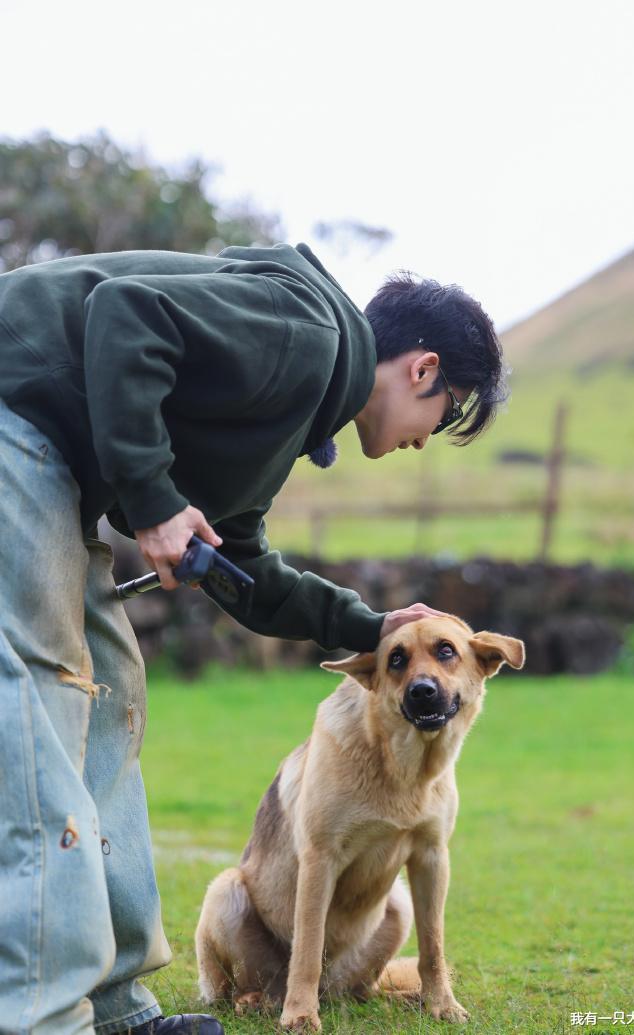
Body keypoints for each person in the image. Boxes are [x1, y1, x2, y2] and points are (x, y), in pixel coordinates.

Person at [0, 241, 507, 1035]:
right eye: (444, 415)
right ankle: (36, 1016)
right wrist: (155, 497)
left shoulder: (293, 414)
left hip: (56, 461)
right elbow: (123, 314)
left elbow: (244, 568)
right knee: (45, 693)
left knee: (109, 699)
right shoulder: (307, 331)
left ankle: (114, 1005)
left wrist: (373, 630)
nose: (425, 437)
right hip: (15, 407)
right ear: (422, 369)